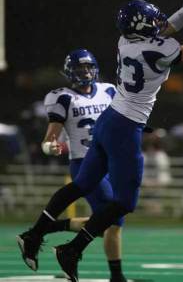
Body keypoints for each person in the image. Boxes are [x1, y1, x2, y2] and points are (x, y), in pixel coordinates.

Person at [17, 0, 183, 282]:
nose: (158, 22)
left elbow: (165, 28)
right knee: (124, 203)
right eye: (150, 20)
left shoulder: (126, 41)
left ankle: (34, 235)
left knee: (82, 184)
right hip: (125, 127)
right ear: (142, 27)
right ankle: (72, 250)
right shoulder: (158, 51)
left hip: (109, 119)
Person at [17, 49, 127, 282]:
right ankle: (109, 272)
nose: (85, 72)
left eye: (88, 67)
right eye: (80, 68)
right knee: (111, 218)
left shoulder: (109, 90)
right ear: (69, 72)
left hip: (111, 163)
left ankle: (42, 231)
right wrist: (51, 147)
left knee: (113, 222)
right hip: (85, 161)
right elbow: (49, 139)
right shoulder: (62, 97)